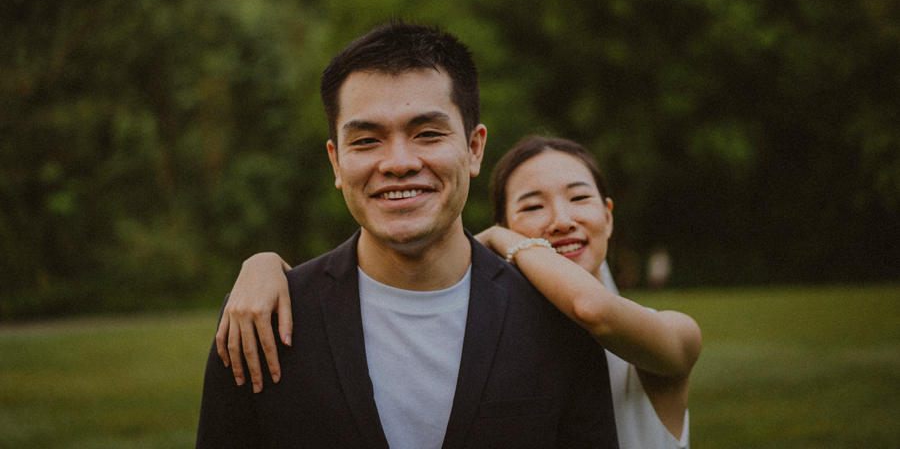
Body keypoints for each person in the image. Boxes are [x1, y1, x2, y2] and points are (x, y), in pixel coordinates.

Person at [196, 22, 619, 449]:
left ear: (474, 148)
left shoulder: (555, 321)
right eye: (366, 140)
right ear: (336, 163)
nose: (398, 162)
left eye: (427, 134)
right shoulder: (261, 322)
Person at [223, 136, 702, 448]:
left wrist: (503, 241)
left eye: (579, 197)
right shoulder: (517, 340)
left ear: (609, 214)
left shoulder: (675, 332)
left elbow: (592, 308)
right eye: (532, 206)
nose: (561, 220)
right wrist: (262, 263)